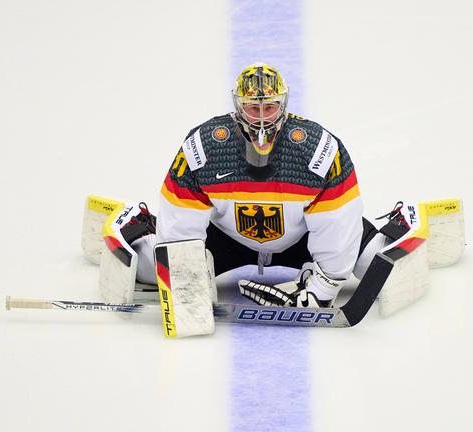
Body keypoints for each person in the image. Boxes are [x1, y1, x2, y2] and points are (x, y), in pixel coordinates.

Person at [116, 62, 390, 308]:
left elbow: (338, 221)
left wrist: (322, 289)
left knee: (375, 266)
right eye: (252, 107)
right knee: (148, 268)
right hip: (226, 238)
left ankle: (397, 233)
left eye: (269, 107)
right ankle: (136, 226)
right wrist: (184, 278)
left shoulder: (319, 148)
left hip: (302, 239)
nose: (261, 117)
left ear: (282, 105)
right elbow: (181, 212)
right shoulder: (203, 147)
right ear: (238, 106)